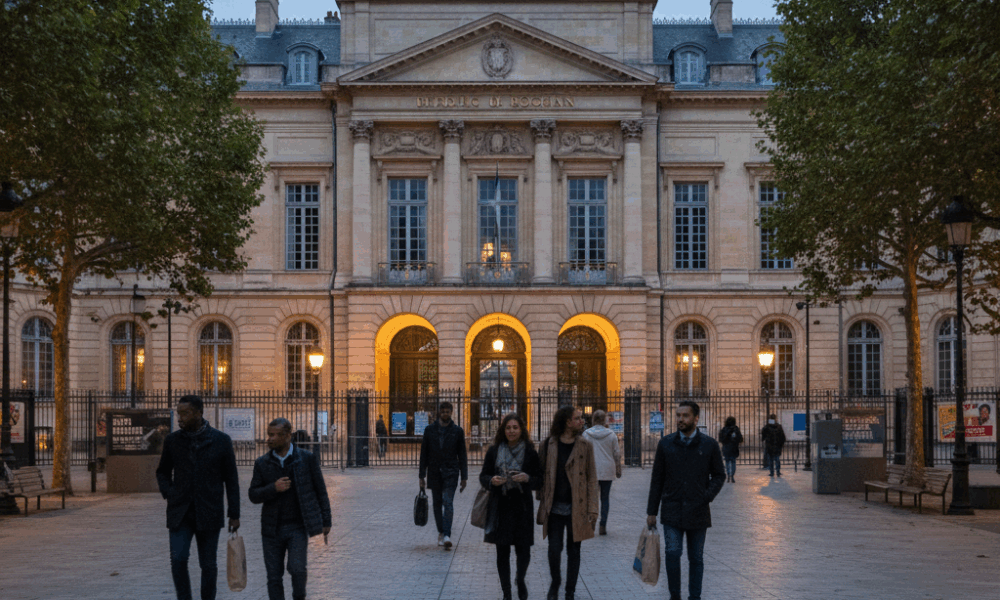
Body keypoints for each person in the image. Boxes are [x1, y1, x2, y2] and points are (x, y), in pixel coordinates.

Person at [156, 395, 240, 600]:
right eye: (179, 413)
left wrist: (234, 514)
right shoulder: (173, 440)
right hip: (180, 512)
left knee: (209, 564)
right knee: (178, 559)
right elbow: (162, 472)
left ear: (199, 413)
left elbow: (231, 480)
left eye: (185, 413)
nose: (180, 418)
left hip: (209, 510)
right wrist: (169, 493)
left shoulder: (221, 441)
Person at [647, 400, 725, 600]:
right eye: (678, 415)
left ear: (696, 418)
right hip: (672, 510)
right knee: (672, 554)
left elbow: (719, 475)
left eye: (685, 415)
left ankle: (694, 597)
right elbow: (657, 479)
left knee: (696, 558)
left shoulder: (709, 445)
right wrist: (652, 511)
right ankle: (675, 596)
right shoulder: (666, 444)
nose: (680, 419)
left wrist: (707, 496)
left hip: (698, 510)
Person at [249, 418, 332, 600]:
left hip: (297, 526)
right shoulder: (262, 463)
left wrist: (326, 520)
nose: (270, 439)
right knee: (273, 577)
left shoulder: (306, 458)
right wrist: (273, 488)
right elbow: (253, 495)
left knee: (298, 569)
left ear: (288, 436)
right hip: (271, 529)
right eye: (269, 434)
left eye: (275, 435)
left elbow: (321, 490)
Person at [536, 405, 598, 600]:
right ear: (567, 422)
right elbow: (540, 473)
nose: (582, 421)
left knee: (574, 550)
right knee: (554, 550)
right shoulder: (547, 445)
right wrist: (541, 497)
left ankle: (570, 590)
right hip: (554, 508)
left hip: (577, 507)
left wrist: (593, 508)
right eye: (578, 418)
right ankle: (555, 584)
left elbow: (591, 478)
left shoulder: (585, 445)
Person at [479, 413, 543, 600]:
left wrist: (528, 478)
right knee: (502, 551)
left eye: (515, 427)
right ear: (503, 430)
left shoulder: (530, 452)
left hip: (522, 506)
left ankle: (520, 579)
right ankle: (507, 592)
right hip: (501, 506)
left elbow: (539, 480)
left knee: (523, 550)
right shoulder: (494, 450)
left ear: (521, 429)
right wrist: (491, 480)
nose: (512, 431)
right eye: (508, 428)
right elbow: (483, 476)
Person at [418, 401, 468, 549]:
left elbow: (462, 455)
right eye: (443, 411)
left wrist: (464, 477)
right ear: (439, 412)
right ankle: (441, 532)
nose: (446, 414)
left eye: (448, 411)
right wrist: (421, 475)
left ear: (451, 412)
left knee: (448, 502)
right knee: (437, 504)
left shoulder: (457, 431)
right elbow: (424, 454)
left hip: (451, 472)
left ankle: (447, 534)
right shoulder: (429, 430)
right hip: (434, 472)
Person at [580, 409, 621, 535]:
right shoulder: (611, 434)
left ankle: (592, 521)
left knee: (591, 498)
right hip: (607, 469)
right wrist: (618, 468)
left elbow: (582, 453)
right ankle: (603, 524)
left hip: (591, 469)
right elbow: (617, 454)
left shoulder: (586, 434)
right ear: (604, 420)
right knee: (605, 498)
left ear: (593, 420)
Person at [718, 416, 744, 483]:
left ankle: (728, 474)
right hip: (734, 448)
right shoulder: (736, 429)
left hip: (726, 448)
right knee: (733, 462)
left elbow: (720, 438)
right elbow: (740, 438)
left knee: (727, 462)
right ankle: (732, 475)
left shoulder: (724, 429)